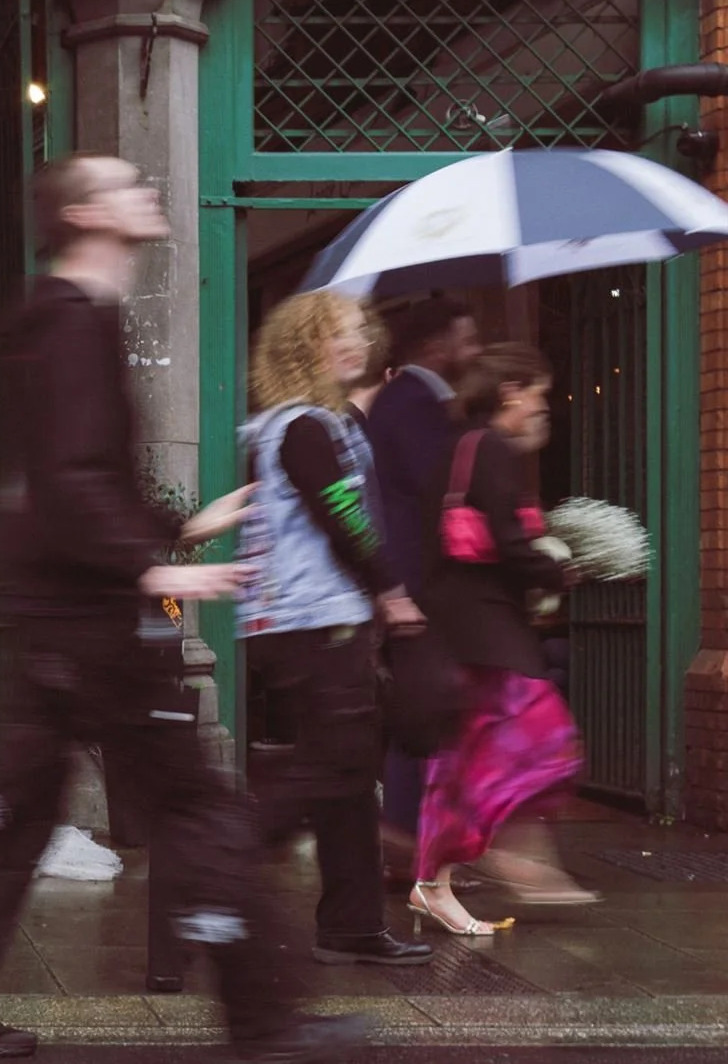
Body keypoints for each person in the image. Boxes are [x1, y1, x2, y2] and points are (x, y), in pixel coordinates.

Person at [0, 153, 369, 1064]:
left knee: (12, 820)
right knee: (196, 806)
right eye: (125, 184)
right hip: (96, 624)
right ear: (86, 214)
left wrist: (182, 527)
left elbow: (84, 474)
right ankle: (267, 1026)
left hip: (62, 619)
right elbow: (72, 480)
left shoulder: (61, 317)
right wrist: (151, 571)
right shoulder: (73, 322)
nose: (147, 192)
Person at [235, 290, 433, 968]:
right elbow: (341, 515)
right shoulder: (303, 429)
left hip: (315, 618)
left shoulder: (318, 424)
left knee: (349, 777)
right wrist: (391, 589)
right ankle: (218, 870)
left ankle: (350, 925)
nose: (355, 343)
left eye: (357, 332)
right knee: (334, 765)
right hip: (313, 621)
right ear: (303, 349)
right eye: (337, 335)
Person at [412, 342, 598, 930]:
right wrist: (559, 571)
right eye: (538, 394)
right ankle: (502, 850)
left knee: (462, 759)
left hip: (462, 626)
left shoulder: (459, 446)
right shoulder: (490, 448)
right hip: (488, 627)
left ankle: (435, 882)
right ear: (510, 393)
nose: (543, 406)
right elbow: (511, 546)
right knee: (546, 740)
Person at [364, 298, 482, 866]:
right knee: (425, 708)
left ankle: (410, 838)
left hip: (414, 583)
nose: (475, 350)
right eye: (468, 339)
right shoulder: (414, 404)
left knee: (424, 706)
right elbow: (442, 489)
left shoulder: (410, 401)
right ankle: (406, 839)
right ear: (437, 347)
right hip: (416, 583)